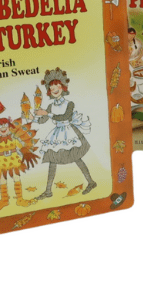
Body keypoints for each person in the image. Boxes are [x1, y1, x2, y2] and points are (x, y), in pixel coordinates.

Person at [34, 68, 96, 199]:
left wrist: (47, 114)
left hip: (69, 133)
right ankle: (48, 191)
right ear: (49, 91)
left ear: (63, 87)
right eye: (51, 88)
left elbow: (65, 117)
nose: (55, 89)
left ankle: (91, 182)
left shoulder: (69, 103)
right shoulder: (50, 106)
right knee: (52, 160)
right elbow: (43, 120)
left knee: (76, 157)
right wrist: (32, 117)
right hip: (57, 135)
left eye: (57, 86)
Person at [0, 117, 38, 209]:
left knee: (16, 178)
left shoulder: (14, 140)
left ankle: (20, 199)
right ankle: (4, 200)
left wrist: (27, 153)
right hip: (0, 161)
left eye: (5, 126)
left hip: (14, 160)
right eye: (0, 127)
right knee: (2, 180)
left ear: (9, 127)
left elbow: (21, 148)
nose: (3, 129)